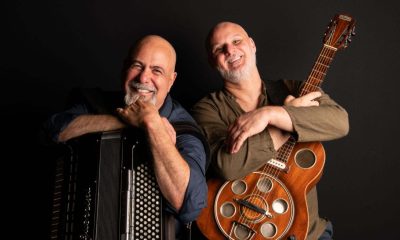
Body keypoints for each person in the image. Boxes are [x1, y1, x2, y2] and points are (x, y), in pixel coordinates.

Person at [191, 22, 349, 239]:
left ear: (252, 45)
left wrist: (271, 115)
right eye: (220, 48)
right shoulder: (207, 110)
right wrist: (284, 125)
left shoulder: (295, 90)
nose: (230, 51)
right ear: (212, 61)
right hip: (243, 228)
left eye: (237, 41)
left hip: (307, 234)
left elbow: (339, 122)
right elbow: (227, 166)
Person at [43, 35, 208, 238]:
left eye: (157, 70)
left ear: (171, 80)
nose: (143, 78)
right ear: (124, 68)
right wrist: (128, 121)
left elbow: (190, 205)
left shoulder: (185, 130)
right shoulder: (94, 102)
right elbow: (53, 130)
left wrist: (153, 124)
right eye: (137, 66)